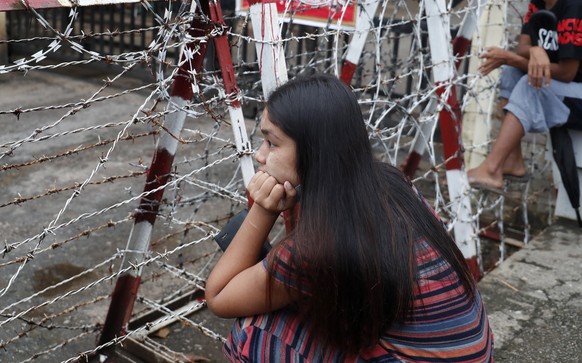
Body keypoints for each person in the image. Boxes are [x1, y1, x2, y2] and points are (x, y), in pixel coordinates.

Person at [205, 74, 493, 362]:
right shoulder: (392, 184)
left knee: (257, 330)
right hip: (471, 352)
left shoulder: (319, 245)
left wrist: (264, 210)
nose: (260, 155)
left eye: (271, 142)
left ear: (313, 151)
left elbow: (220, 296)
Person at [468, 0, 582, 191]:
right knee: (511, 73)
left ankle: (491, 170)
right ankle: (513, 161)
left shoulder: (574, 4)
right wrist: (537, 51)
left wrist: (512, 57)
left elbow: (567, 72)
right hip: (562, 87)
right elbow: (523, 47)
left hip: (577, 92)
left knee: (530, 85)